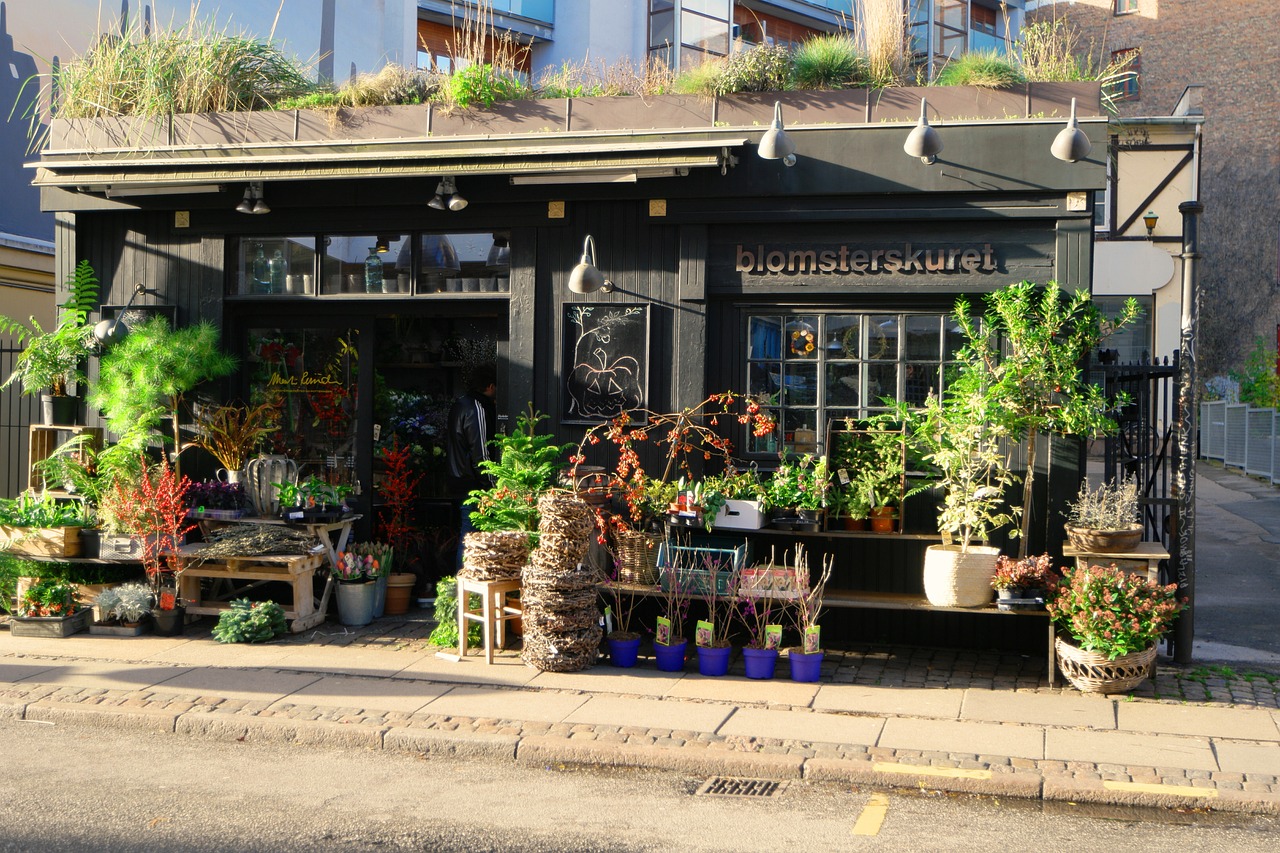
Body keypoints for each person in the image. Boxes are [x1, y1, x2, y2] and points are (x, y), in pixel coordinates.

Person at [446, 364, 498, 570]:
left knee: (467, 536)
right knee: (472, 538)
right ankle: (466, 590)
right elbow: (481, 451)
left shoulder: (460, 404)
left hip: (458, 479)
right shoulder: (477, 408)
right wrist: (492, 483)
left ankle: (463, 590)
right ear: (491, 386)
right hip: (474, 484)